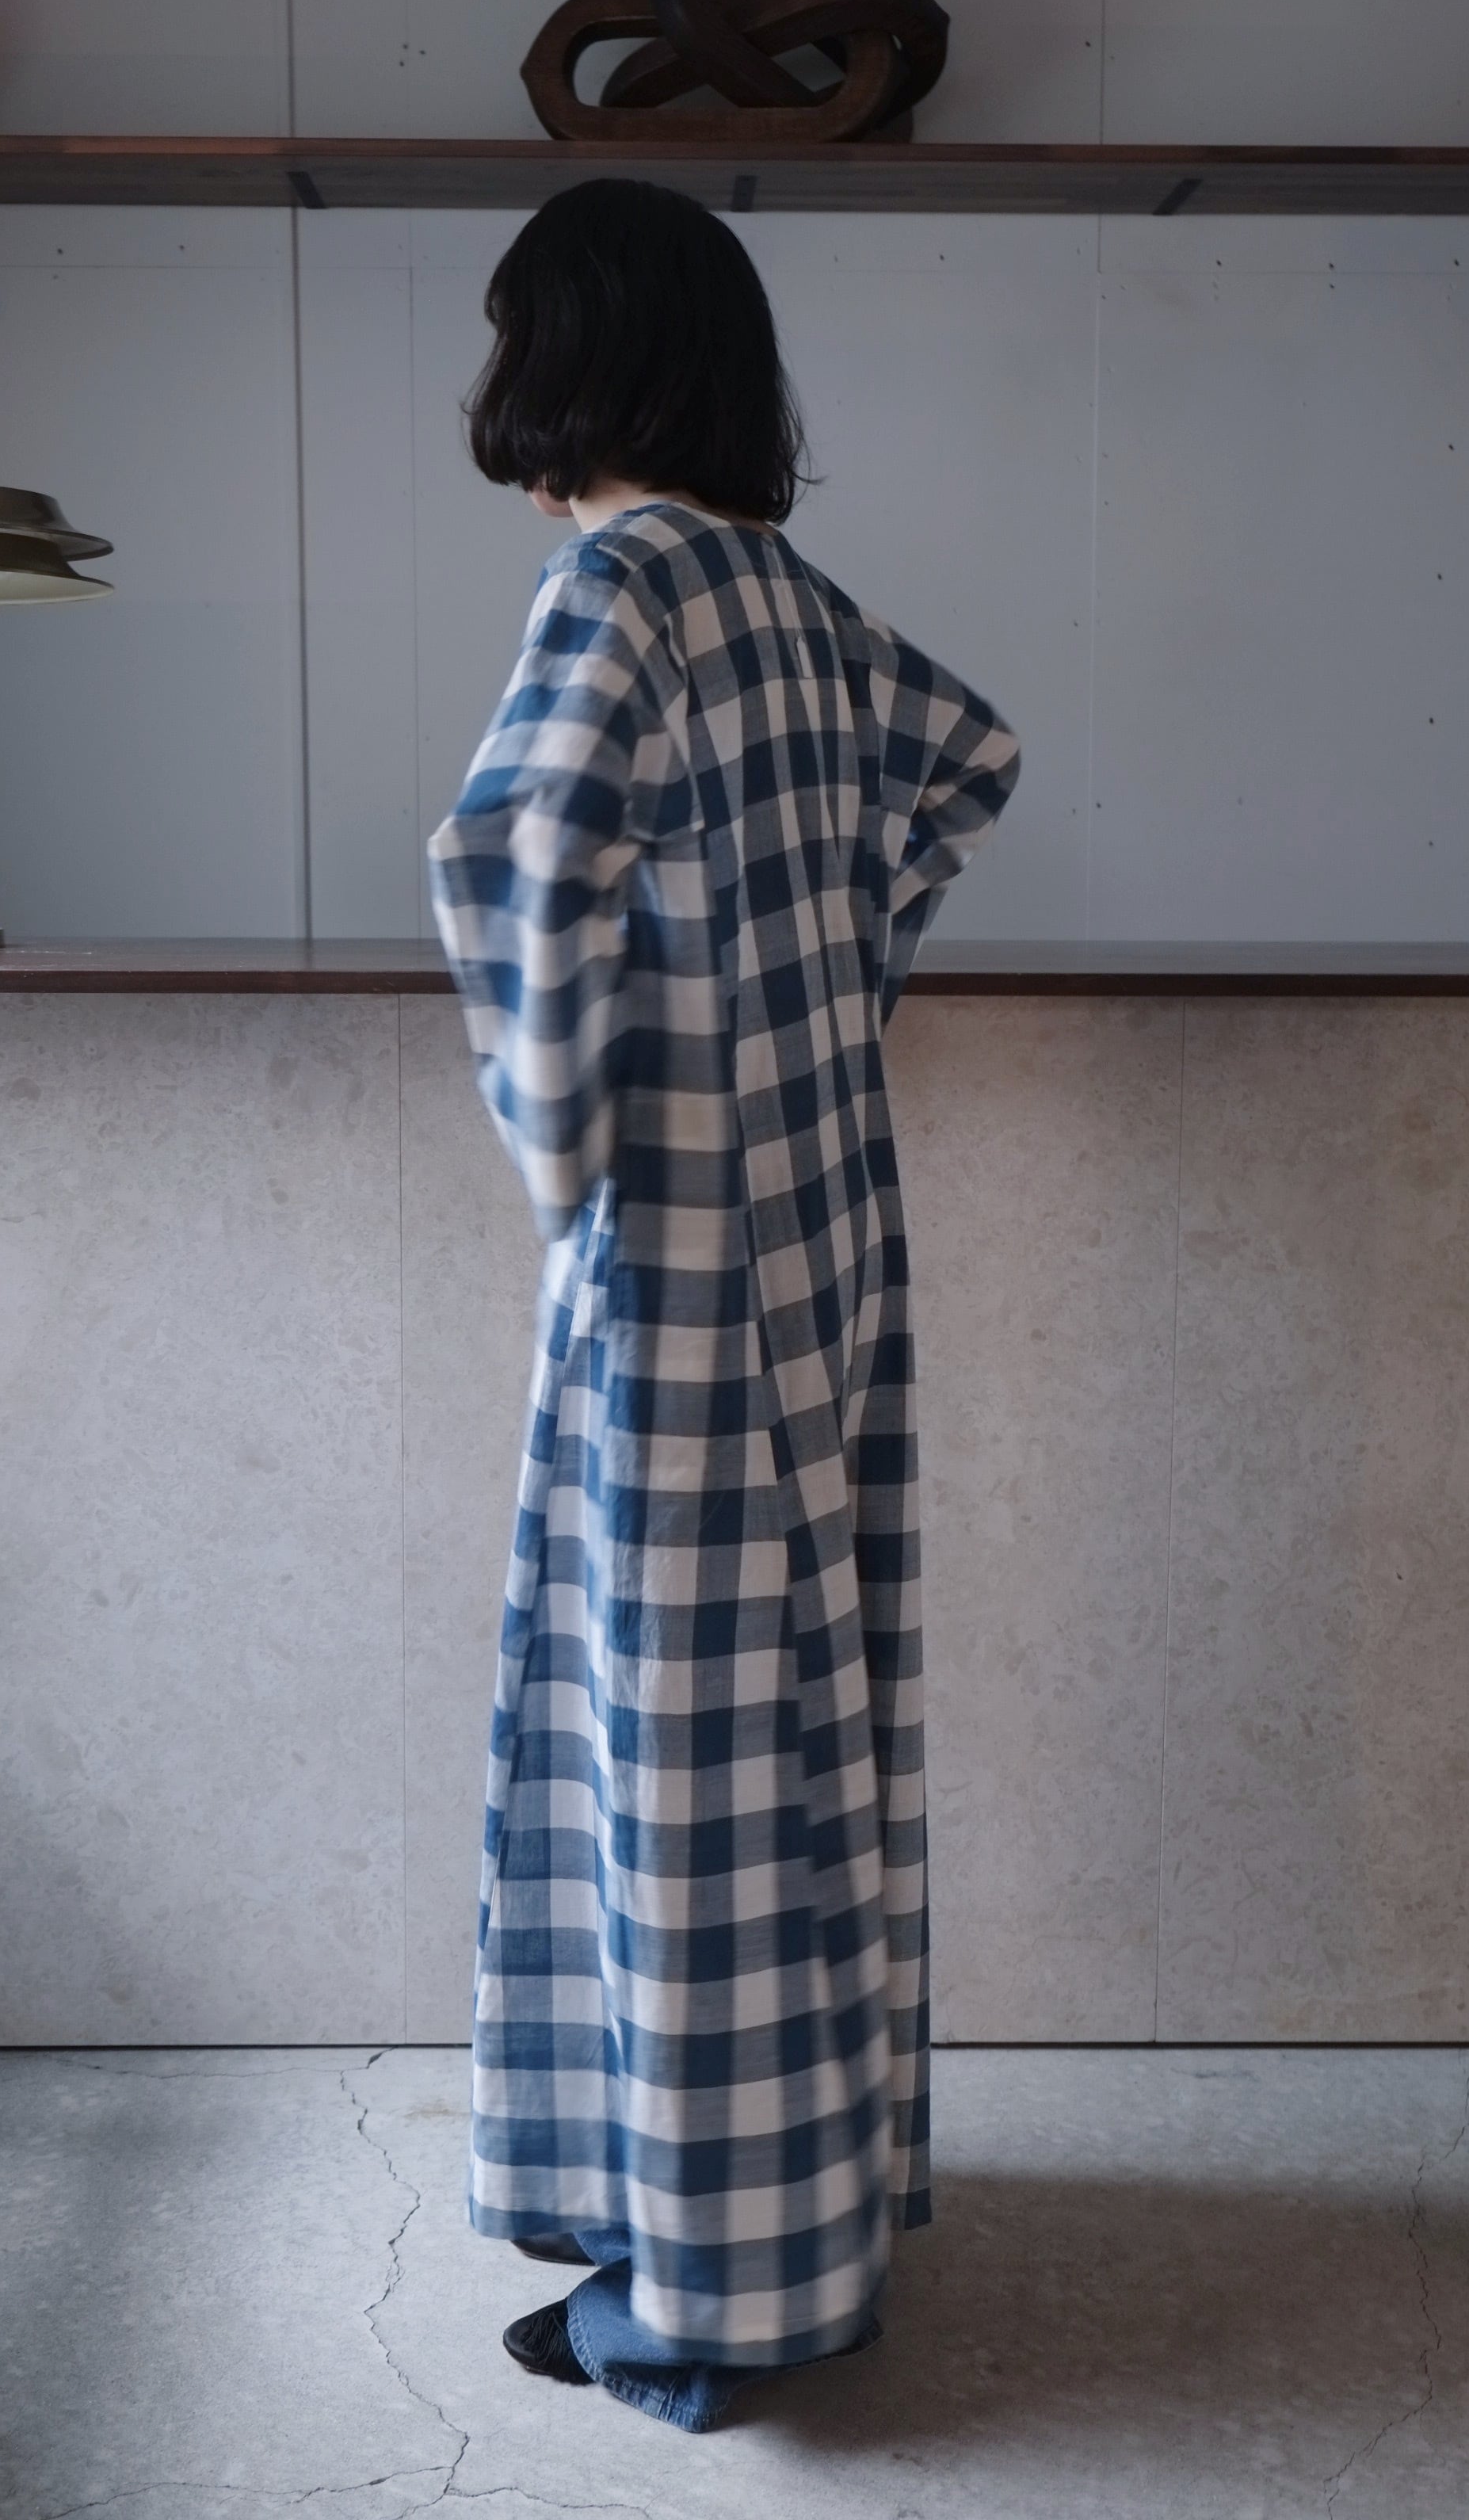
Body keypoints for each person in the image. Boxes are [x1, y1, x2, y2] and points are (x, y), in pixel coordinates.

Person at [428, 177, 1018, 2431]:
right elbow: (967, 756)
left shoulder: (623, 583)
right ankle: (762, 2202)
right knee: (798, 1723)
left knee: (665, 1747)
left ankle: (699, 2298)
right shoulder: (785, 589)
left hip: (677, 1252)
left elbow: (514, 850)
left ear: (567, 357)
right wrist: (822, 979)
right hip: (827, 1221)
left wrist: (567, 1127)